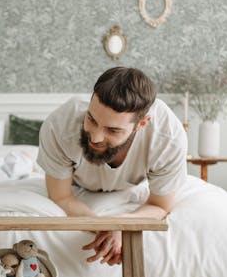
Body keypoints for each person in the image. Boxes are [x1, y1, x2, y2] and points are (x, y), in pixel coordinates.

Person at [37, 67, 187, 266]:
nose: (95, 137)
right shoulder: (59, 126)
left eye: (113, 130)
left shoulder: (168, 138)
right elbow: (61, 196)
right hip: (77, 184)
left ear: (142, 124)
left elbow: (159, 205)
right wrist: (103, 226)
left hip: (134, 185)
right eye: (91, 119)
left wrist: (121, 226)